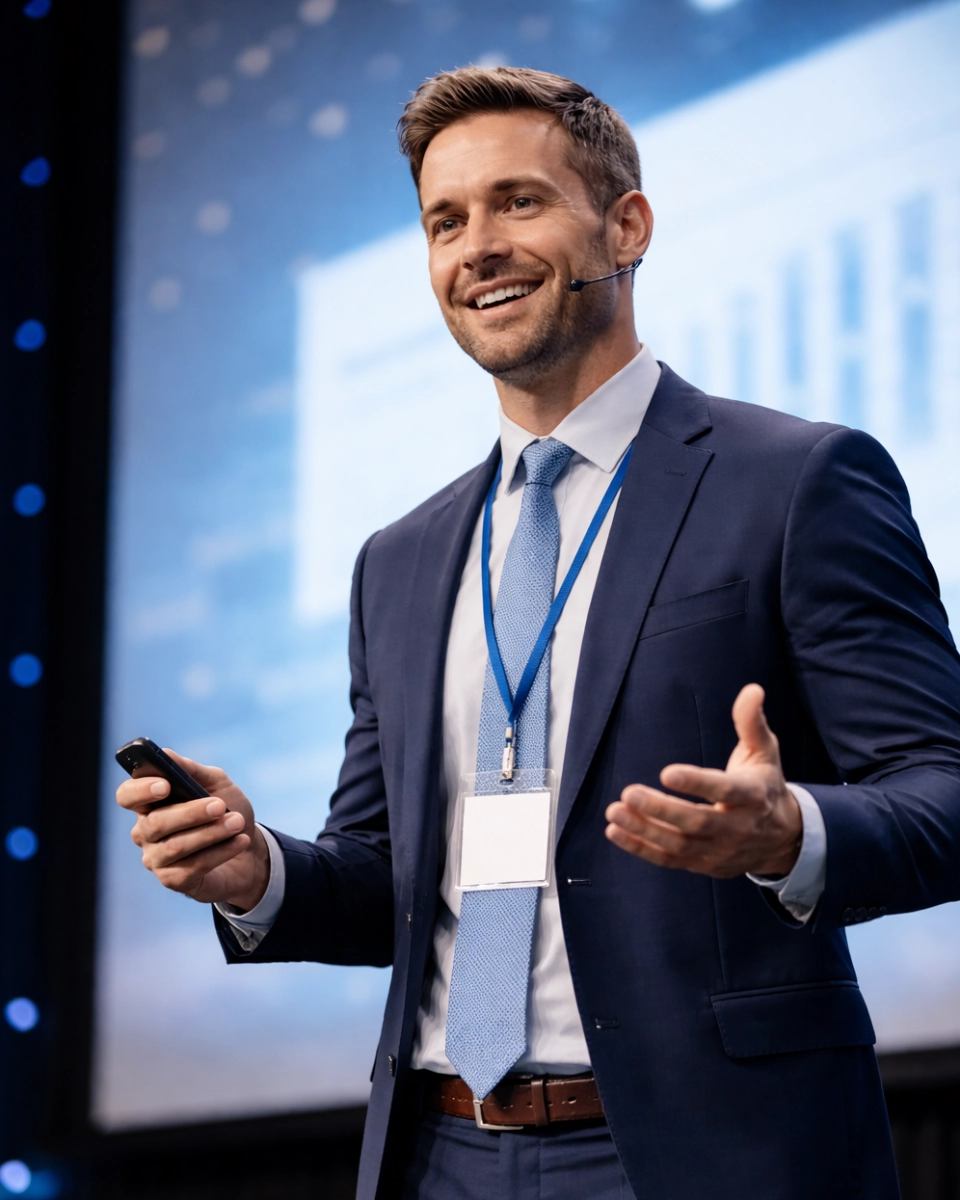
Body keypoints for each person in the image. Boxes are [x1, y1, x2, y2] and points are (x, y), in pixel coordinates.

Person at [117, 67, 960, 1200]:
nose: (477, 247)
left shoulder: (797, 481)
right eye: (445, 221)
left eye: (519, 202)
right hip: (437, 1149)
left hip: (700, 1150)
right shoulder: (400, 561)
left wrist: (790, 832)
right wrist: (256, 873)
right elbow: (390, 880)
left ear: (627, 223)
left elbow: (943, 789)